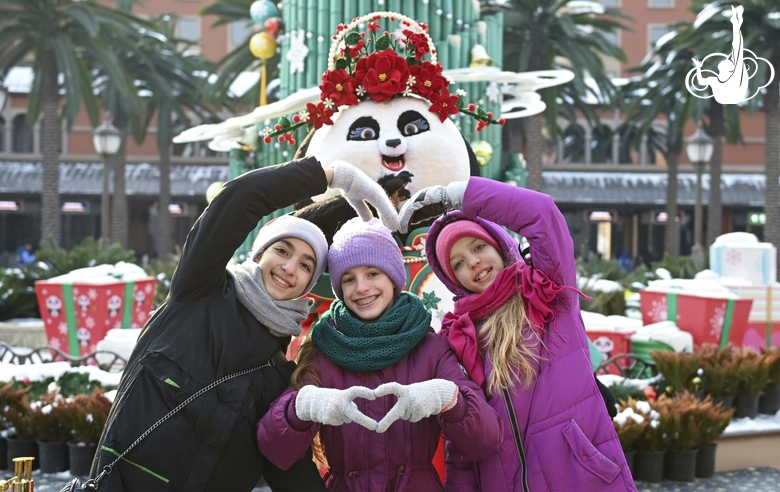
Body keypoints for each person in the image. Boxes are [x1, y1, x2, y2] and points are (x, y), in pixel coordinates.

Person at [90, 157, 398, 491]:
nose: (289, 267)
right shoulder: (197, 294)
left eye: (306, 265)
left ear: (309, 285)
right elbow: (238, 200)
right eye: (282, 250)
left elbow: (288, 468)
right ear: (259, 254)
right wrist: (330, 175)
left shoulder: (279, 376)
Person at [400, 178, 636, 491]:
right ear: (452, 279)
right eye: (458, 263)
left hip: (581, 477)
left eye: (479, 247)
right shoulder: (460, 339)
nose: (474, 262)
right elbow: (463, 447)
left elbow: (542, 213)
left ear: (499, 245)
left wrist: (460, 194)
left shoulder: (548, 291)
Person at [256, 217, 502, 491]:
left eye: (373, 273)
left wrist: (449, 399)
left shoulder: (432, 347)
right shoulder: (321, 350)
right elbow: (274, 449)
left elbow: (486, 439)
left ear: (393, 278)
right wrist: (299, 408)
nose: (361, 288)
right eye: (349, 279)